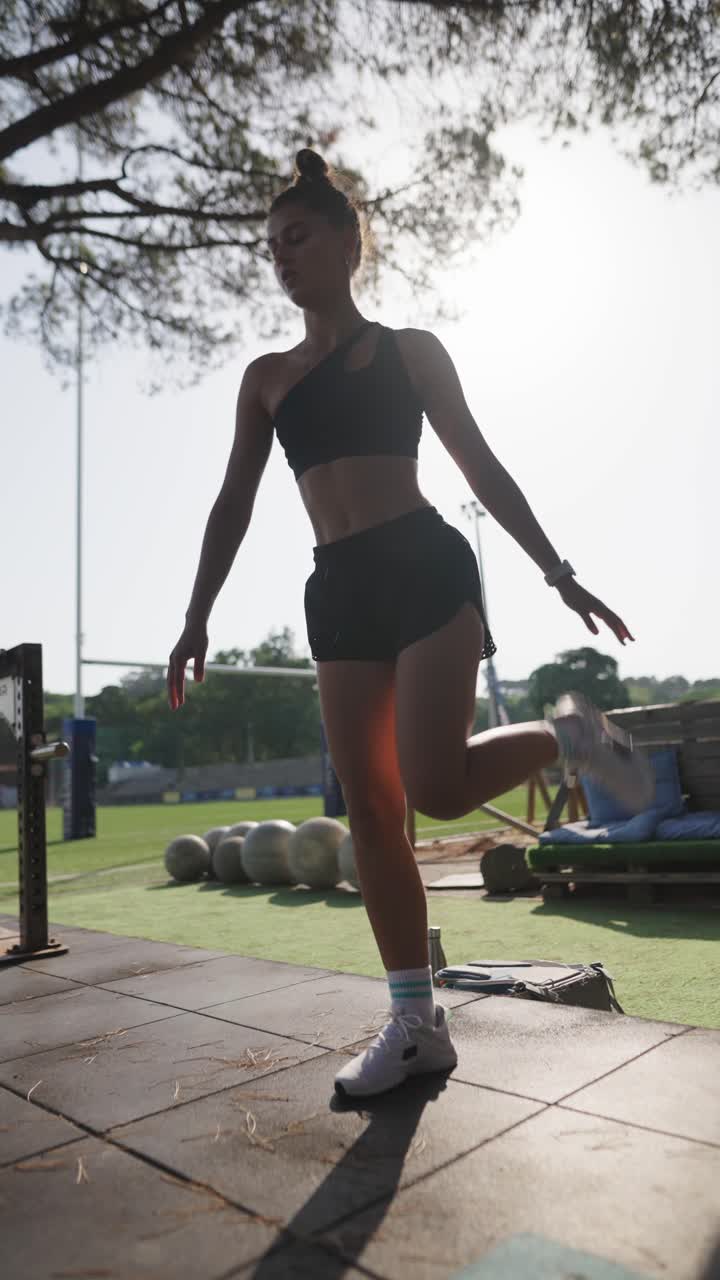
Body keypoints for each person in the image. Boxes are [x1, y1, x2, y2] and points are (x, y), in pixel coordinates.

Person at [167, 148, 653, 1099]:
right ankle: (413, 1020)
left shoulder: (412, 350)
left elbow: (481, 465)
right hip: (338, 591)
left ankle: (569, 736)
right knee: (375, 814)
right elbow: (231, 502)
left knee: (433, 787)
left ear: (350, 242)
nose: (282, 257)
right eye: (271, 247)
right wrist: (197, 616)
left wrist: (559, 573)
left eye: (297, 237)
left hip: (426, 568)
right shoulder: (266, 379)